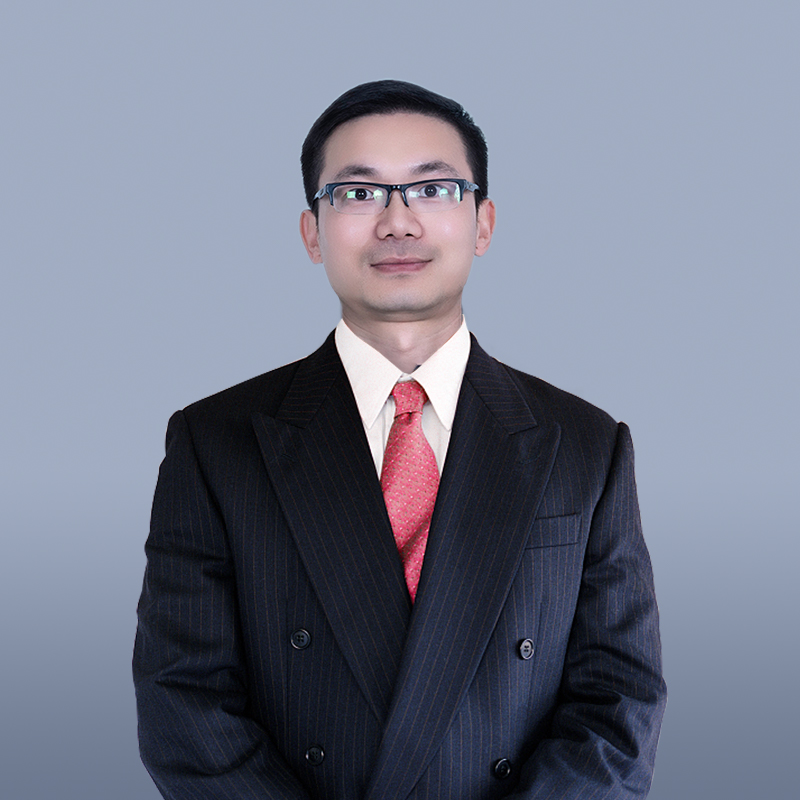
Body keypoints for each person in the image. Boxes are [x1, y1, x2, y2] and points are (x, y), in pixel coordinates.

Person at [133, 79, 666, 800]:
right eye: (358, 194)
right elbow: (183, 698)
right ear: (312, 233)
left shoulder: (584, 445)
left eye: (433, 189)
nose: (397, 222)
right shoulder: (216, 443)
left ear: (483, 223)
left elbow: (619, 701)